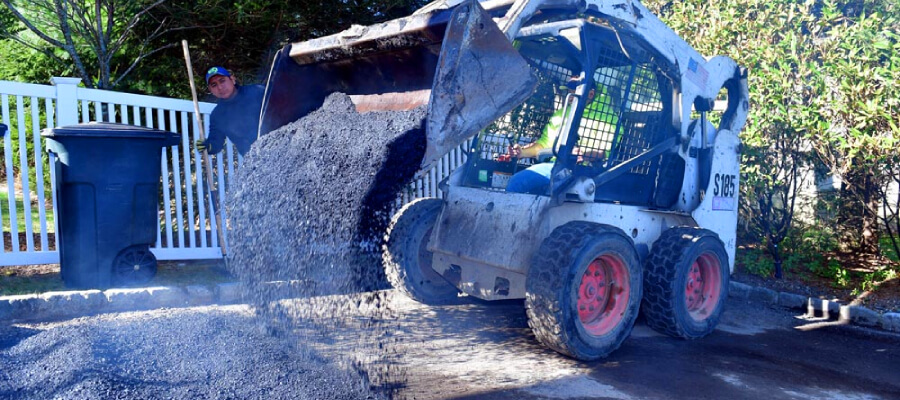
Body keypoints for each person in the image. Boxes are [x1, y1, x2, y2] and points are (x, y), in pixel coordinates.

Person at [505, 78, 620, 195]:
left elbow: (604, 153)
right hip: (558, 166)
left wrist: (582, 154)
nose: (569, 97)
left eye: (573, 93)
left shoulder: (608, 118)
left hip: (582, 170)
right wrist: (522, 152)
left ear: (590, 94)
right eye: (568, 93)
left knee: (517, 182)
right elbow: (544, 145)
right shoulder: (561, 114)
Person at [194, 66, 266, 156]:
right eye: (214, 85)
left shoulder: (257, 91)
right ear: (210, 90)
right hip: (255, 160)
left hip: (279, 145)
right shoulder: (217, 115)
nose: (220, 87)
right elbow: (216, 145)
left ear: (232, 79)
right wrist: (207, 146)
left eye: (222, 80)